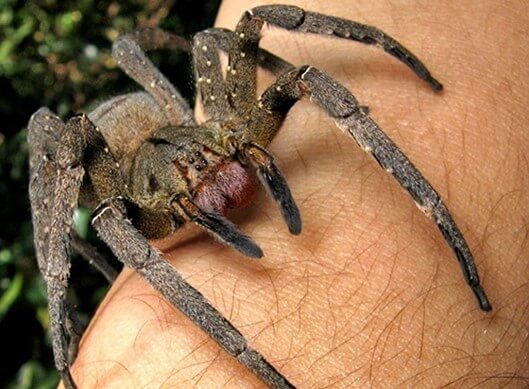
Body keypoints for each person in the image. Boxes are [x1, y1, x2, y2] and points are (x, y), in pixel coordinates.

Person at [70, 1, 529, 386]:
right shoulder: (124, 206)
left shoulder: (228, 121)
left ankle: (446, 227)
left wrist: (363, 47)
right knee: (72, 158)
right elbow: (83, 189)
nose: (203, 170)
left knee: (241, 34)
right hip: (127, 173)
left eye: (207, 159)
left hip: (175, 117)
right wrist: (60, 302)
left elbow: (227, 39)